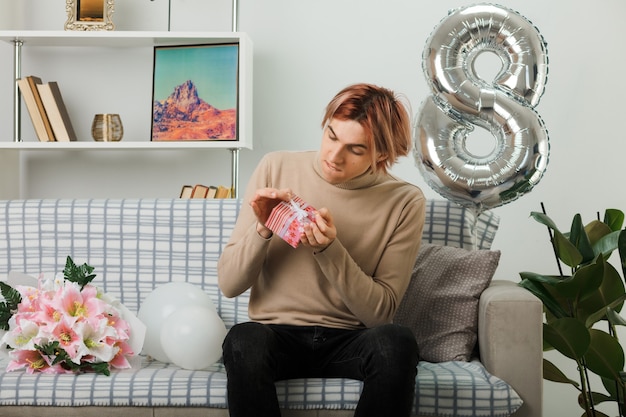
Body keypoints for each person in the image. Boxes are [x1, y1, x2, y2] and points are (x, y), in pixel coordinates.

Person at [217, 83, 426, 417]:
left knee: (396, 342)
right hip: (275, 336)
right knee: (244, 339)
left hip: (350, 341)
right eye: (331, 136)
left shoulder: (405, 201)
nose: (333, 156)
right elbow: (229, 284)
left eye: (355, 150)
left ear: (382, 155)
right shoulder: (276, 167)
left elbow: (380, 314)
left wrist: (330, 249)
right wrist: (263, 228)